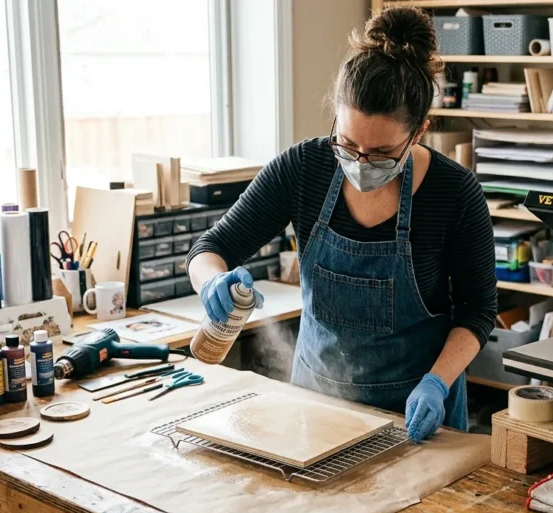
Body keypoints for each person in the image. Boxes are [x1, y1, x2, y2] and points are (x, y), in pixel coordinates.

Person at [187, 7, 497, 443]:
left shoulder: (455, 193)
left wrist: (437, 382)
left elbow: (478, 311)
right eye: (347, 143)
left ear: (420, 131)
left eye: (382, 152)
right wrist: (210, 283)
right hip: (316, 409)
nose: (360, 162)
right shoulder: (304, 168)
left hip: (416, 416)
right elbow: (210, 247)